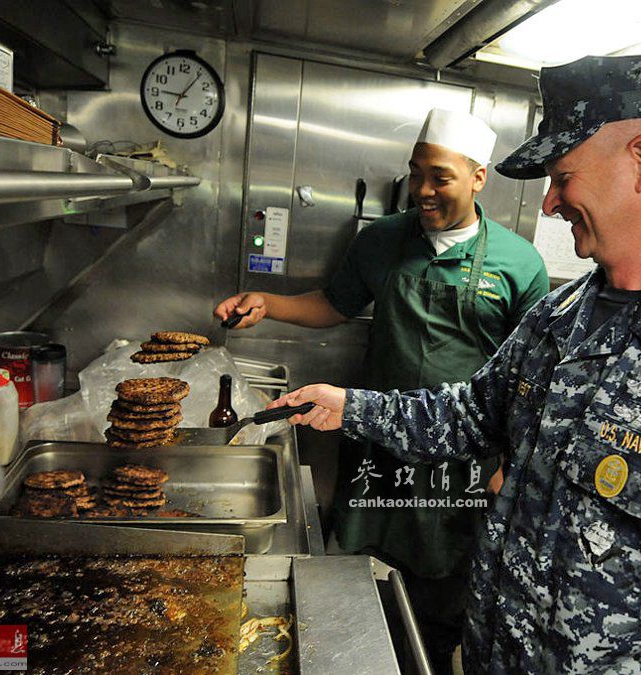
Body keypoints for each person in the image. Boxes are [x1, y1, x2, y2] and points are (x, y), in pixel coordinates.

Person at [269, 54, 641, 673]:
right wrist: (350, 407)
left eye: (563, 177)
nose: (551, 203)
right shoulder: (563, 314)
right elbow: (473, 413)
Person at [215, 108, 548, 671]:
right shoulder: (382, 240)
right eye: (416, 172)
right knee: (357, 578)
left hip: (457, 461)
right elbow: (334, 304)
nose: (422, 189)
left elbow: (531, 381)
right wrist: (268, 302)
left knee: (442, 595)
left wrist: (512, 462)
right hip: (374, 437)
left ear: (477, 177)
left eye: (439, 176)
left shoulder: (521, 264)